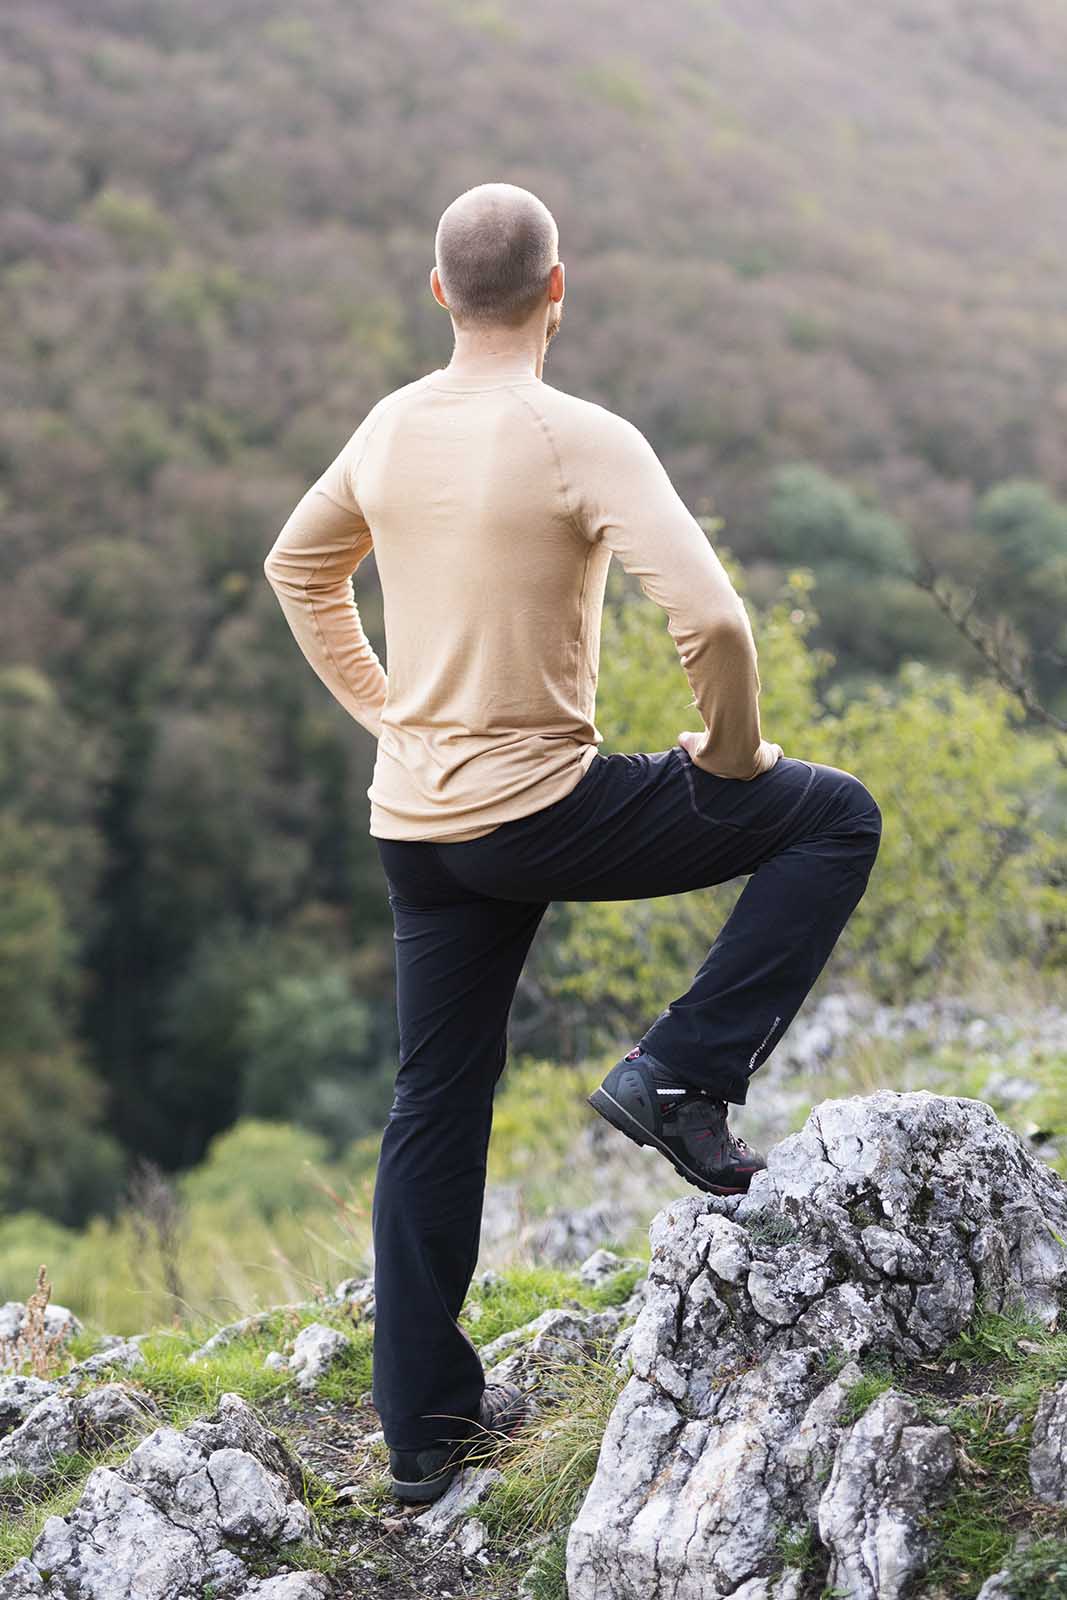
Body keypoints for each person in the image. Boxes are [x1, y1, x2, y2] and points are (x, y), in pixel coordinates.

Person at [262, 181, 883, 1505]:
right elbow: (713, 624)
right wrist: (730, 756)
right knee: (833, 819)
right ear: (560, 289)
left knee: (433, 1102)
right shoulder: (578, 435)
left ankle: (425, 1433)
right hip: (536, 810)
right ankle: (681, 1073)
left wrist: (389, 713)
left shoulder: (388, 426)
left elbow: (298, 569)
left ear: (441, 294)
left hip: (418, 826)